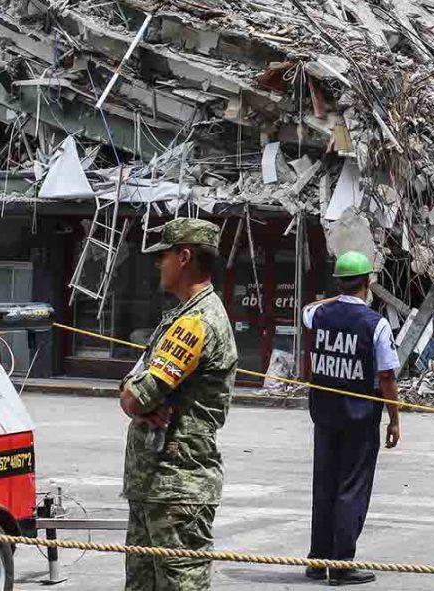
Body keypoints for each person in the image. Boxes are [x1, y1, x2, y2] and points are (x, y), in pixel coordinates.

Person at [119, 217, 238, 591]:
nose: (158, 264)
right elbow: (132, 383)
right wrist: (133, 394)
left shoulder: (196, 323)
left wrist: (134, 396)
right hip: (156, 486)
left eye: (164, 256)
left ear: (184, 257)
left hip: (176, 489)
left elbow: (136, 396)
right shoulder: (181, 318)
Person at [302, 251, 400, 587]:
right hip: (359, 418)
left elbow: (308, 311)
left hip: (324, 415)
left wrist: (339, 295)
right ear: (369, 282)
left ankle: (317, 561)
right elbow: (387, 377)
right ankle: (341, 566)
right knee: (351, 489)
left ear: (340, 281)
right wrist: (395, 419)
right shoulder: (376, 324)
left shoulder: (319, 315)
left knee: (324, 486)